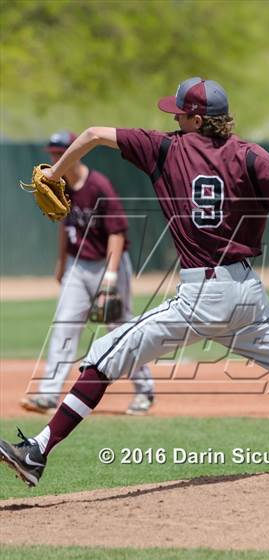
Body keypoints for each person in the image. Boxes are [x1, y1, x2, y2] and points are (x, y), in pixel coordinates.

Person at [0, 77, 269, 487]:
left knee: (104, 354)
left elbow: (91, 133)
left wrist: (55, 173)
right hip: (247, 296)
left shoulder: (163, 148)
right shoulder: (248, 155)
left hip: (202, 295)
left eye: (181, 113)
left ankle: (37, 451)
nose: (176, 118)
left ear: (198, 120)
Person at [19, 131, 155, 417]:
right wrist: (61, 262)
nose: (55, 158)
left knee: (119, 329)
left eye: (60, 152)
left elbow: (117, 232)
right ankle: (48, 394)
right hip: (78, 266)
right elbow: (61, 224)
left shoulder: (98, 185)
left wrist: (110, 279)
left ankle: (144, 390)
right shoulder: (60, 186)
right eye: (53, 153)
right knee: (64, 325)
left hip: (109, 264)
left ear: (76, 153)